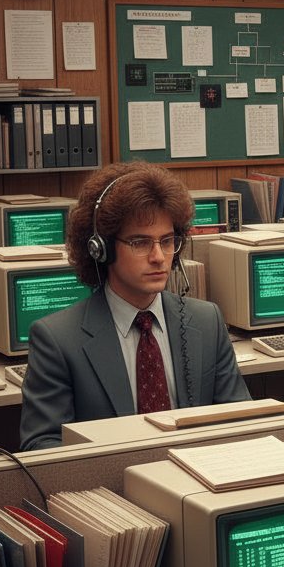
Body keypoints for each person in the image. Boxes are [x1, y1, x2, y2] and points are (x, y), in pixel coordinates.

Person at [19, 161, 250, 450]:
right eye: (140, 242)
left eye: (167, 241)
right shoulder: (57, 339)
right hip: (114, 488)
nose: (158, 256)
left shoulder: (207, 320)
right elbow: (42, 445)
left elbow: (241, 422)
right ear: (100, 248)